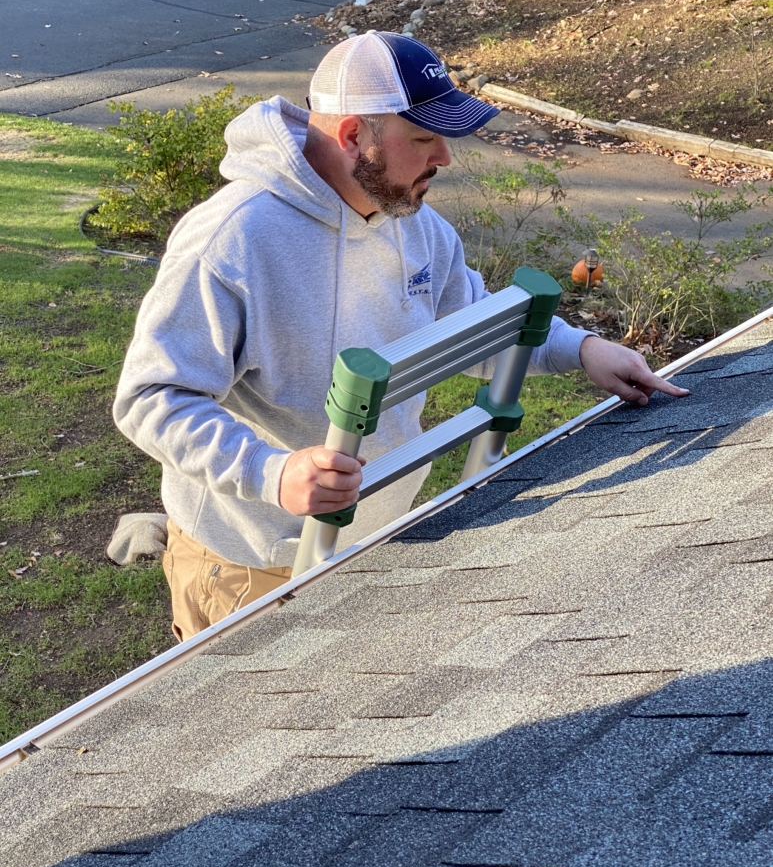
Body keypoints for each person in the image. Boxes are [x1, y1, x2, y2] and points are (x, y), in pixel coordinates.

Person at [113, 31, 688, 642]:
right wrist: (271, 471)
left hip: (378, 534)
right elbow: (151, 397)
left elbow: (476, 325)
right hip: (254, 562)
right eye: (423, 138)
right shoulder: (231, 241)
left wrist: (581, 349)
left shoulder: (418, 227)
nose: (444, 156)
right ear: (354, 135)